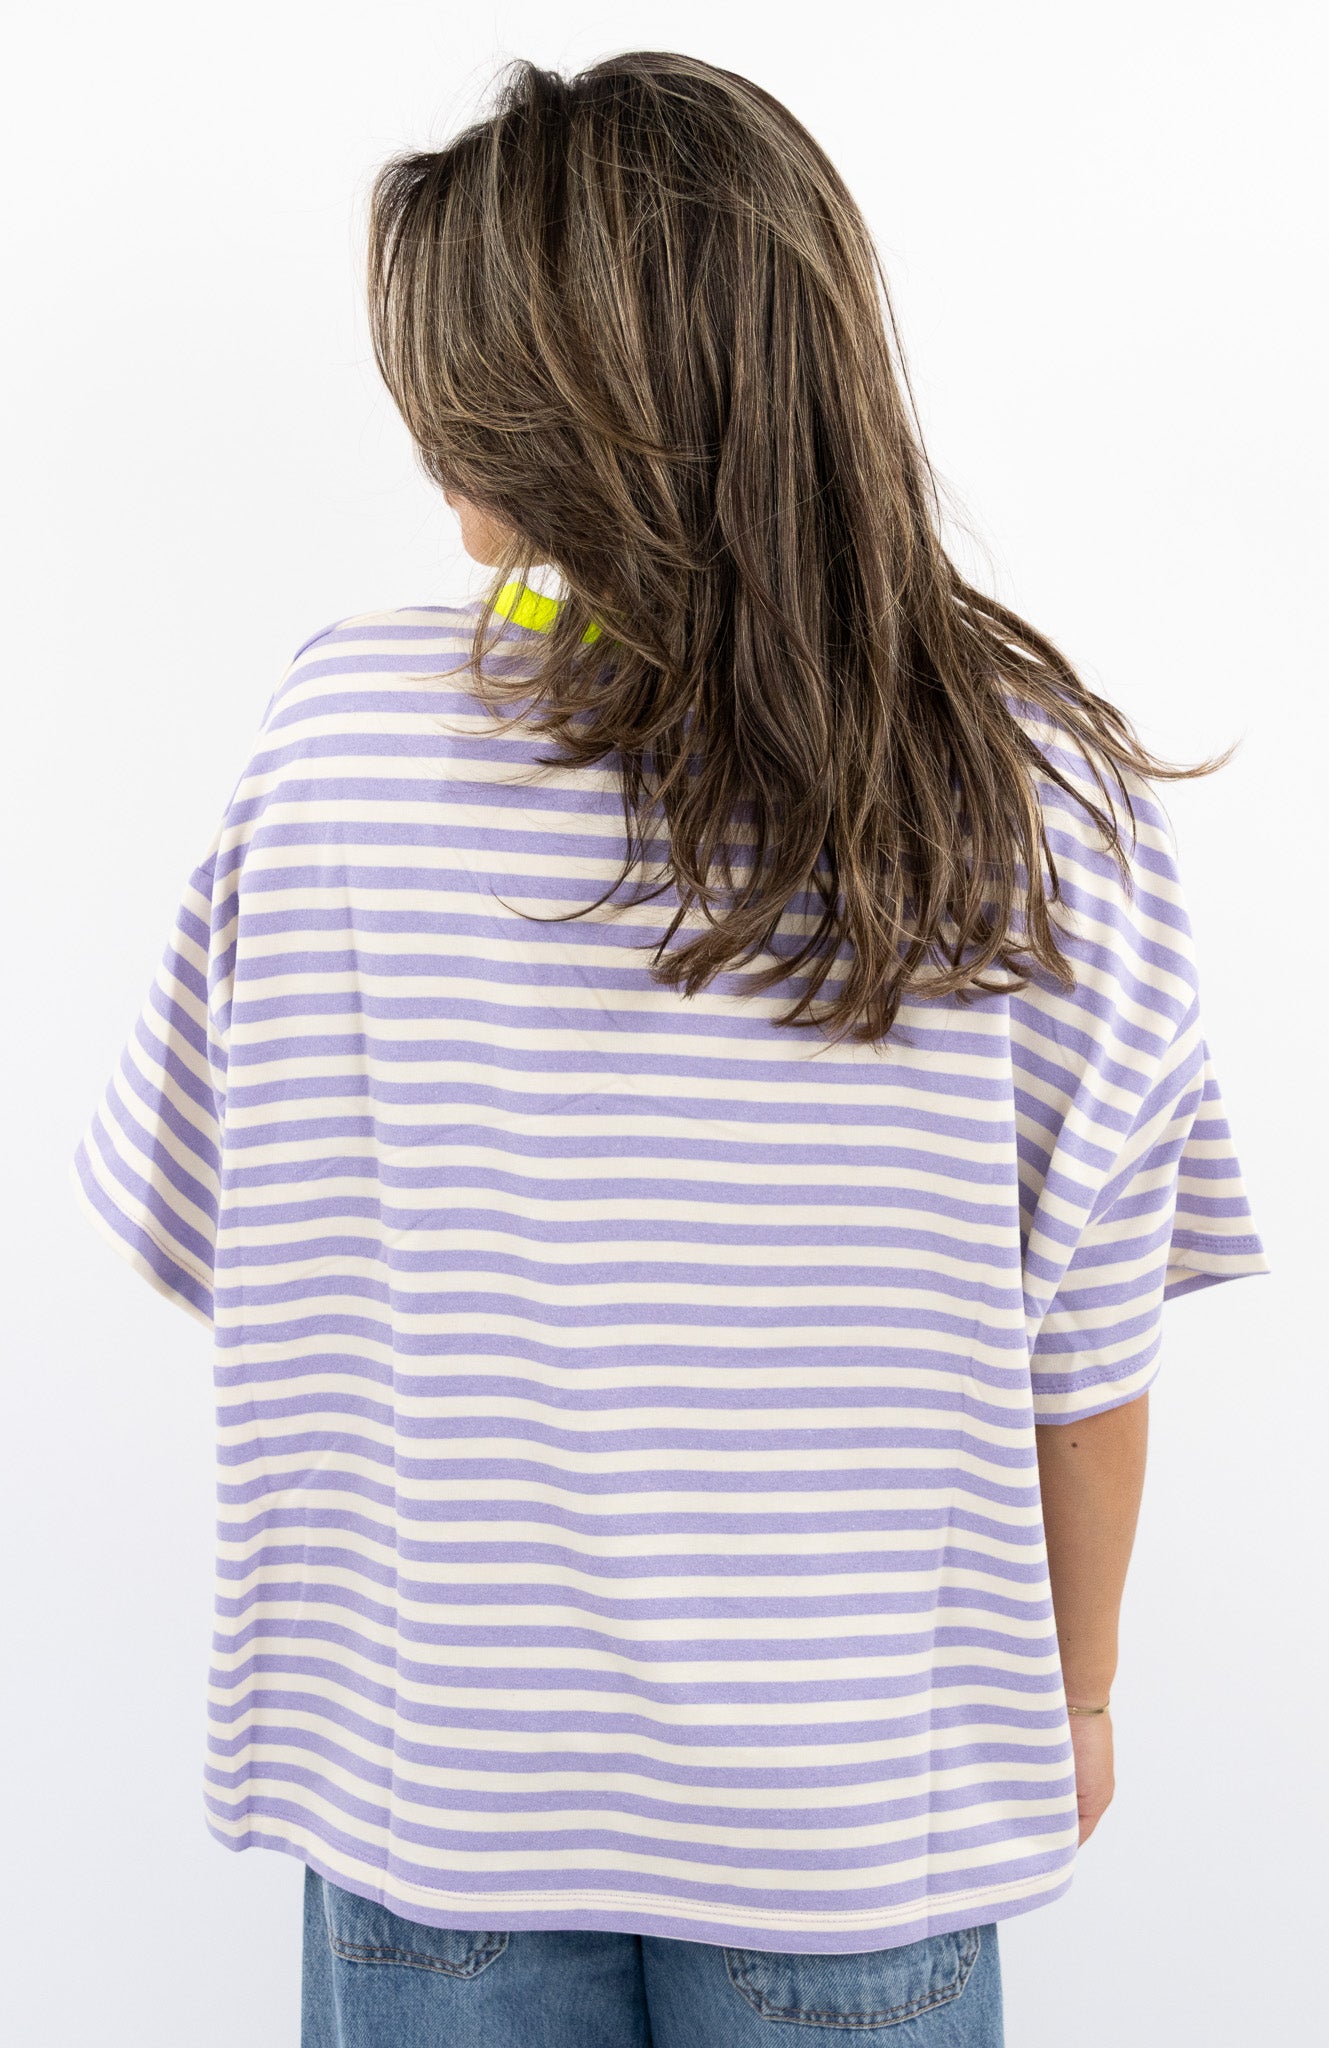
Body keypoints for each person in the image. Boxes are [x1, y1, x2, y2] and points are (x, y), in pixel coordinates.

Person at [70, 50, 1268, 2048]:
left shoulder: (344, 737)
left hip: (444, 1797)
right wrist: (1075, 1693)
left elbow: (227, 1231)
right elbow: (1086, 1358)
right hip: (856, 1821)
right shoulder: (1033, 786)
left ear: (567, 402)